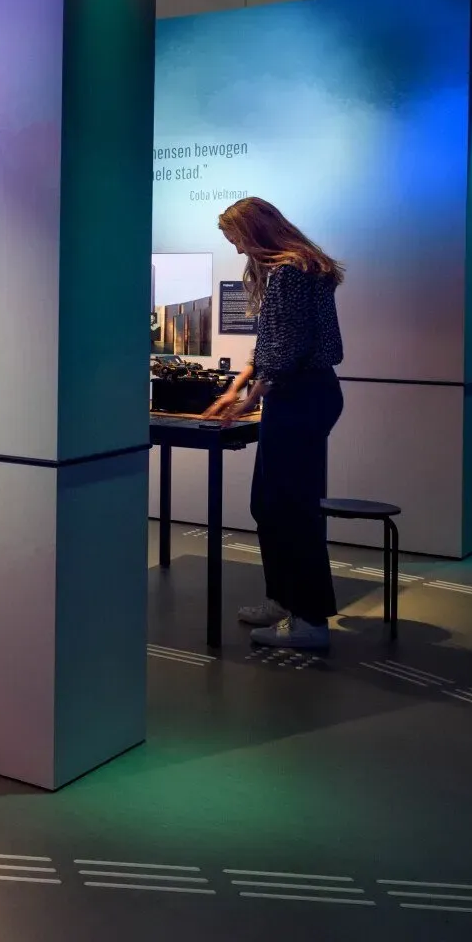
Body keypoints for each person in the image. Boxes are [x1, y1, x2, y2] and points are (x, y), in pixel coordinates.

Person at [203, 197, 344, 651]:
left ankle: (310, 621)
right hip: (300, 395)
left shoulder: (291, 271)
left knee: (291, 509)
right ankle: (284, 600)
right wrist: (237, 388)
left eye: (239, 240)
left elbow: (286, 352)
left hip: (300, 396)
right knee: (268, 504)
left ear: (256, 230)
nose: (241, 251)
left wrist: (249, 401)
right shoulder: (296, 268)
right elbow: (270, 344)